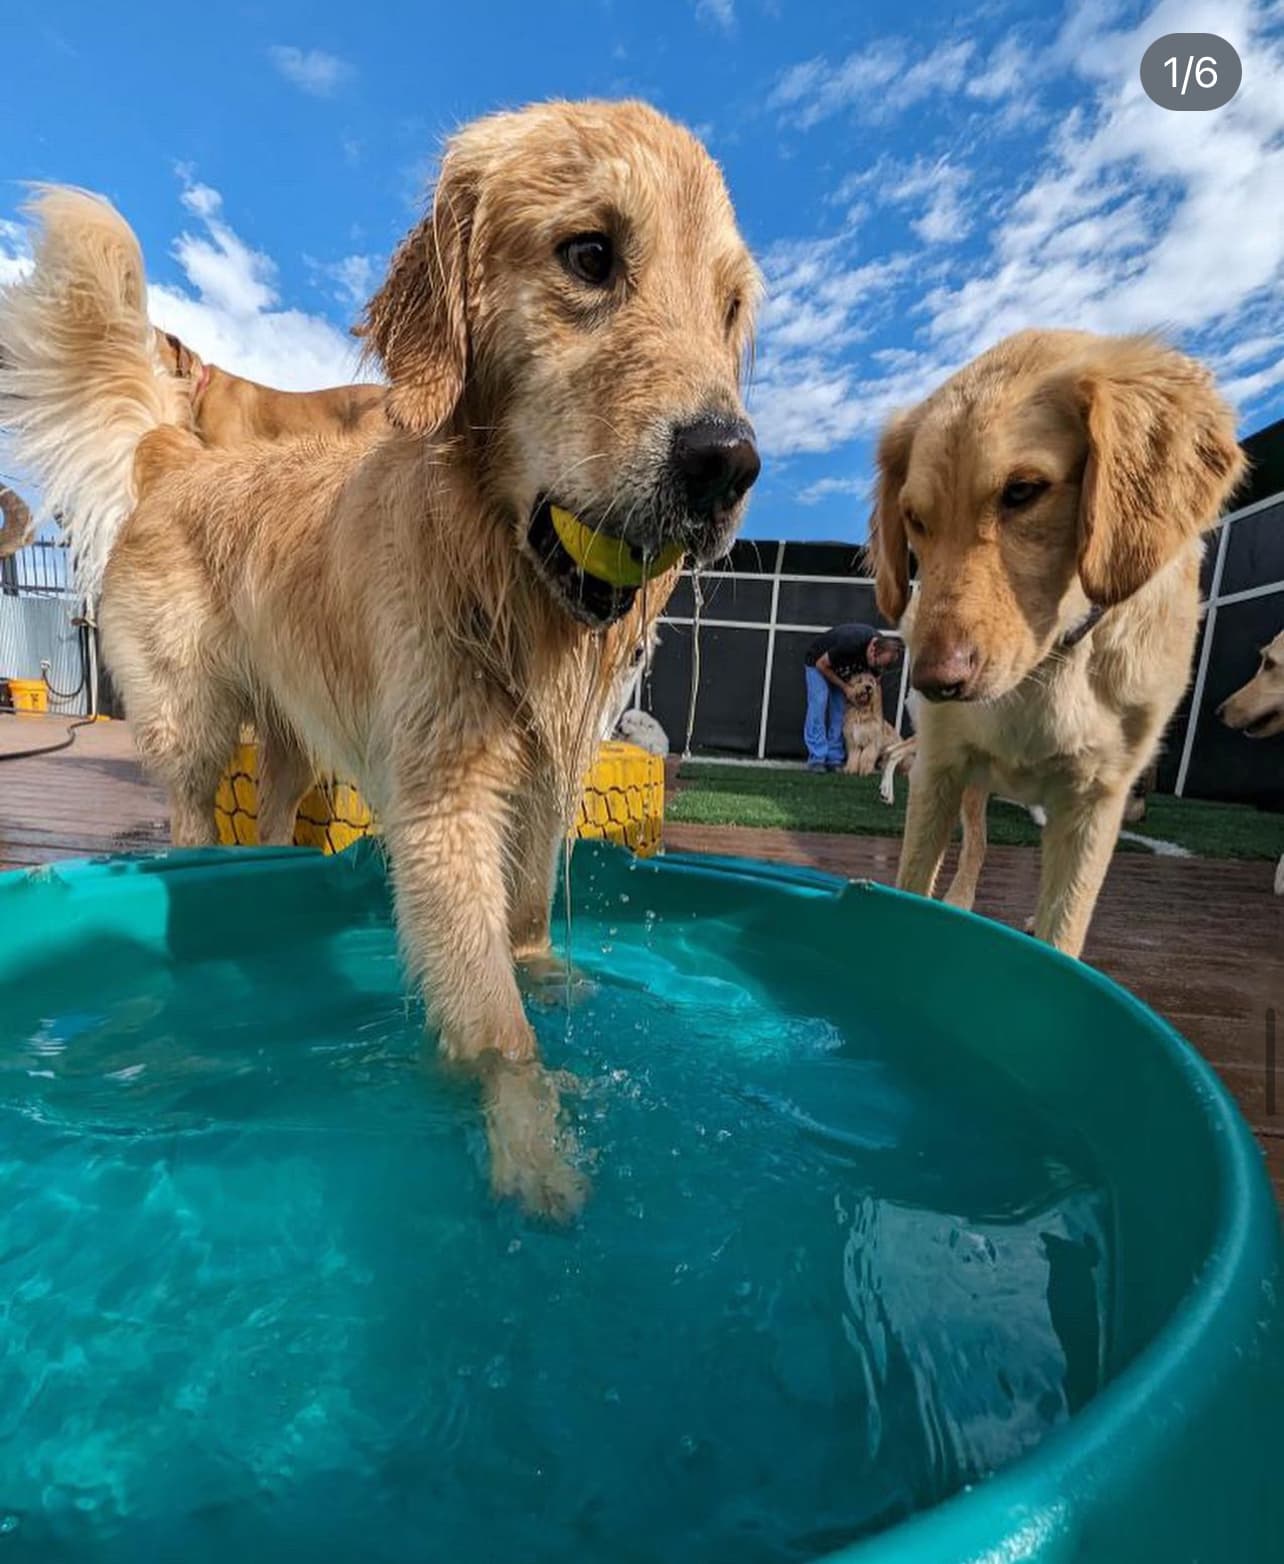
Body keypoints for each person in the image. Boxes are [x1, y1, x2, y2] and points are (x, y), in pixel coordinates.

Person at [803, 624, 901, 772]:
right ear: (872, 650)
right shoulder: (851, 642)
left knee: (839, 711)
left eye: (883, 667)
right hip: (819, 663)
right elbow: (821, 665)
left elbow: (877, 679)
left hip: (843, 669)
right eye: (877, 664)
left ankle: (834, 758)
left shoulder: (881, 653)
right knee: (819, 703)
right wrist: (845, 687)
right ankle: (816, 758)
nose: (878, 669)